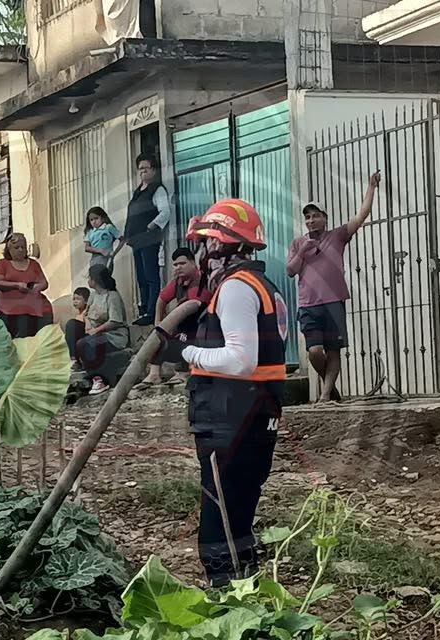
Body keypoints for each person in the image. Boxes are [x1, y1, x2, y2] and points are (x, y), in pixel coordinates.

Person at [159, 198, 287, 586]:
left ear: (219, 244)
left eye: (204, 243)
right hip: (256, 415)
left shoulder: (235, 289)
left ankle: (224, 592)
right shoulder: (262, 286)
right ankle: (246, 587)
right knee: (239, 509)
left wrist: (184, 352)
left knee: (220, 513)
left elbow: (240, 360)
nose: (201, 253)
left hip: (232, 416)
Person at [286, 171, 381, 403]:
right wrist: (302, 251)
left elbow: (361, 215)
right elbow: (290, 271)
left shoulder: (337, 236)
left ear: (324, 218)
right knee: (314, 351)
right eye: (308, 217)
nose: (311, 221)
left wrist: (371, 187)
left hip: (333, 302)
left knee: (333, 349)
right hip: (308, 305)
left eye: (315, 216)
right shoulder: (298, 243)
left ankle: (326, 394)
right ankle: (331, 388)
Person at [116, 153, 173, 325]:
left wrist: (150, 226)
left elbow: (165, 212)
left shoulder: (157, 189)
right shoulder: (137, 192)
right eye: (140, 169)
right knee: (141, 276)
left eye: (146, 168)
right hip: (136, 241)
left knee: (151, 275)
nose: (142, 172)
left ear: (153, 170)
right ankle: (143, 310)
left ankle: (152, 311)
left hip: (149, 240)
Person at [139, 247, 208, 387]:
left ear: (193, 263)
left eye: (182, 263)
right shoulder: (178, 281)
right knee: (157, 335)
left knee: (184, 337)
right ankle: (154, 374)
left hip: (202, 325)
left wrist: (170, 325)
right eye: (175, 265)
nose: (178, 267)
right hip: (182, 323)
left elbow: (192, 307)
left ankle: (183, 373)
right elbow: (162, 299)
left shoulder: (201, 280)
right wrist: (158, 322)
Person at [77, 265, 129, 395]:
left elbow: (115, 321)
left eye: (90, 278)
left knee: (85, 344)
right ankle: (75, 361)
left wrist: (96, 330)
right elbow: (86, 313)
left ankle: (99, 379)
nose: (88, 280)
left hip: (112, 335)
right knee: (72, 326)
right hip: (94, 331)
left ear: (95, 280)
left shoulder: (112, 296)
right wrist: (88, 324)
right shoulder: (93, 295)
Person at [0, 233, 53, 338]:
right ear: (9, 249)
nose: (20, 250)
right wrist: (16, 285)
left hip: (35, 310)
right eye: (17, 247)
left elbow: (44, 283)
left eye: (23, 247)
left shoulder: (34, 264)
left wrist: (35, 288)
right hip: (11, 311)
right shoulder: (2, 264)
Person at [64, 287, 91, 369]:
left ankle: (74, 359)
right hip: (79, 338)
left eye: (78, 299)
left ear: (86, 301)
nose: (75, 301)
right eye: (74, 299)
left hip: (88, 335)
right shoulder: (77, 315)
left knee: (71, 324)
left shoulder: (88, 312)